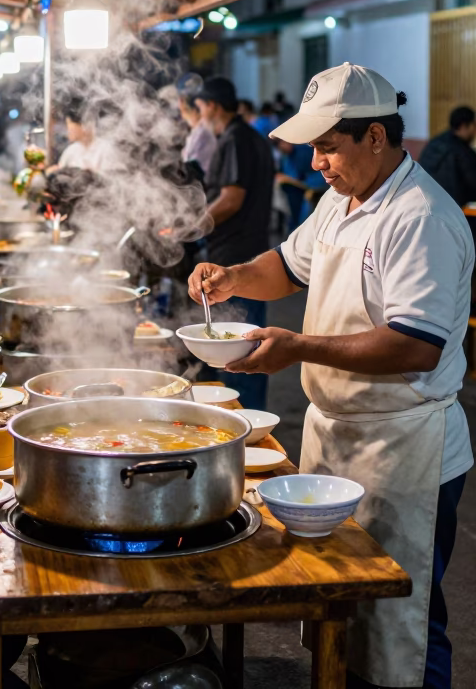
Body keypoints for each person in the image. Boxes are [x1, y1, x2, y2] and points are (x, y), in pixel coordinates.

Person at [188, 62, 474, 689]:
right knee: (341, 609)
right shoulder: (339, 200)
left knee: (404, 622)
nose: (315, 162)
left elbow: (417, 344)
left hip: (404, 447)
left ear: (375, 136)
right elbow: (287, 268)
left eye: (327, 146)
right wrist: (233, 277)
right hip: (338, 435)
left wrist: (298, 347)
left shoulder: (420, 216)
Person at [193, 77, 274, 409]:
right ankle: (250, 419)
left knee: (237, 355)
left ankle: (244, 422)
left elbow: (231, 198)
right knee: (248, 351)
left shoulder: (234, 139)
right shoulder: (249, 136)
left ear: (212, 106)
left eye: (200, 108)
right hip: (249, 254)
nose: (200, 116)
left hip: (236, 258)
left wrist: (192, 227)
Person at [419, 105, 476, 211]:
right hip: (456, 210)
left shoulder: (433, 144)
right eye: (474, 125)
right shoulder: (463, 151)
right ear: (464, 126)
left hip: (427, 205)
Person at [56, 100, 111, 174]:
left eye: (69, 124)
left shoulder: (106, 150)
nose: (67, 129)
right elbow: (59, 174)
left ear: (84, 124)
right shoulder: (70, 151)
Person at [177, 81, 217, 177]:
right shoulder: (198, 131)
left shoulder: (203, 133)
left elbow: (192, 166)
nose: (182, 116)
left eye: (183, 110)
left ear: (194, 111)